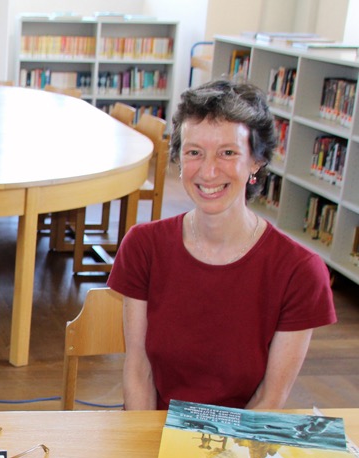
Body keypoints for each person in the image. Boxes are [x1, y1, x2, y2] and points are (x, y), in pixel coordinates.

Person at [108, 80, 336, 410]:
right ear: (179, 159)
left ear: (256, 162)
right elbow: (138, 372)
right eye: (194, 153)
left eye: (228, 153)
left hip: (241, 443)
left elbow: (270, 398)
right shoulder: (143, 246)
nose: (209, 171)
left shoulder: (299, 271)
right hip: (155, 434)